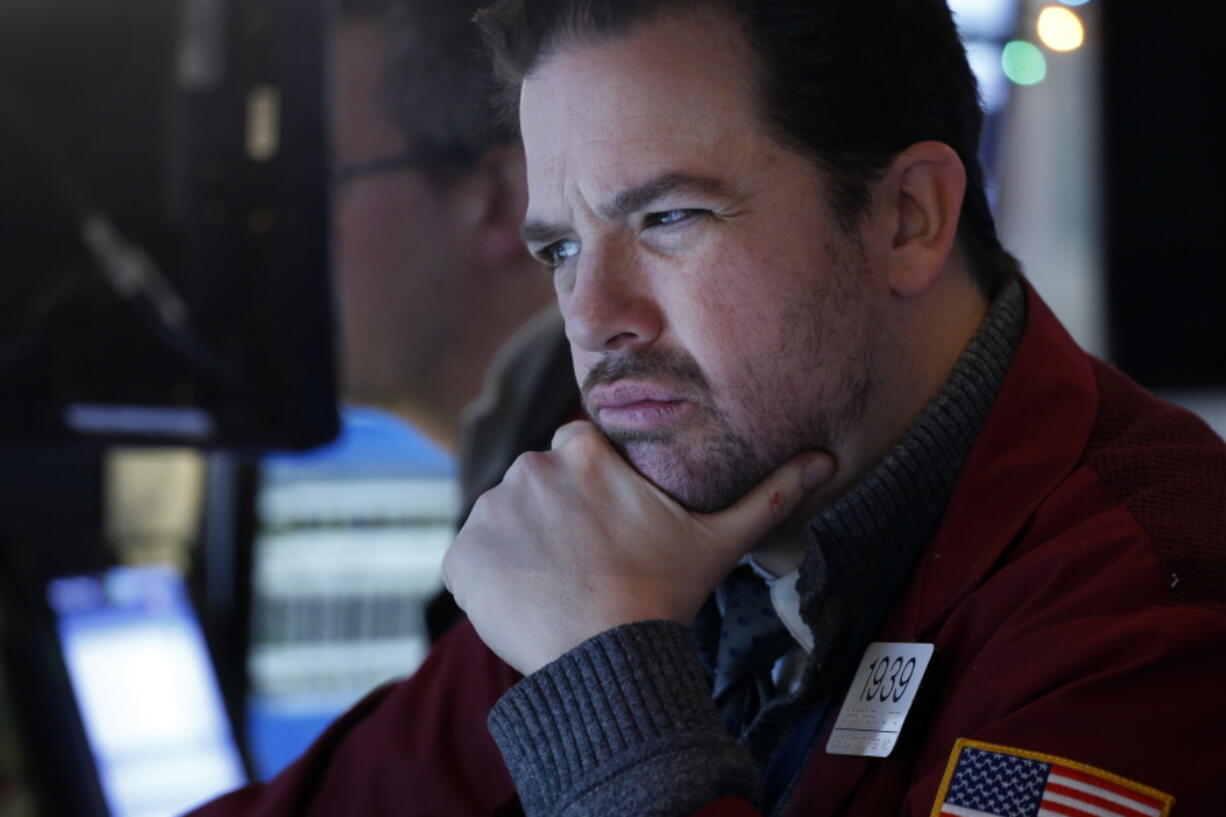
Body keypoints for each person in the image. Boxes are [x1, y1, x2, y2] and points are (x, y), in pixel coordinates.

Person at [191, 2, 1226, 816]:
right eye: (560, 247)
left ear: (908, 217)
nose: (593, 319)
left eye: (670, 216)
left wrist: (608, 689)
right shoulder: (661, 523)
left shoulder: (1154, 604)